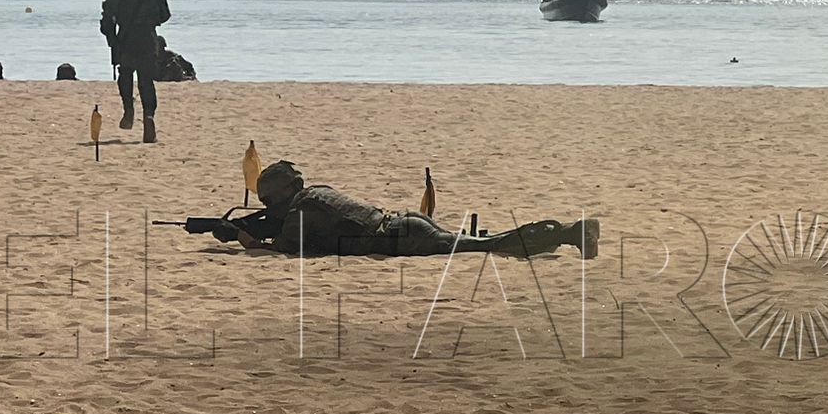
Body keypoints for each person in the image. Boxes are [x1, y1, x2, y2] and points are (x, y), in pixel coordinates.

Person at [218, 161, 598, 259]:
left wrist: (248, 241)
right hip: (403, 224)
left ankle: (568, 232)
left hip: (402, 237)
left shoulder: (301, 211)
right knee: (479, 243)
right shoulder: (316, 194)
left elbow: (288, 248)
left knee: (489, 245)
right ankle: (563, 234)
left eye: (269, 201)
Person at [99, 0, 172, 143]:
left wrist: (111, 37)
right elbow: (165, 14)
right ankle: (148, 117)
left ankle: (128, 109)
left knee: (125, 74)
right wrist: (149, 21)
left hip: (126, 37)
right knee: (146, 81)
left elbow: (108, 14)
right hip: (147, 38)